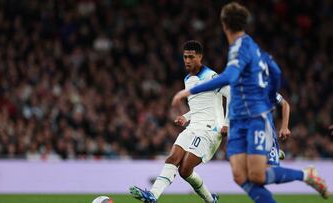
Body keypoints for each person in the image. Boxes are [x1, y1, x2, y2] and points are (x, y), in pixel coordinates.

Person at [171, 3, 329, 203]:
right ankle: (305, 175)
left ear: (224, 25)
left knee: (257, 176)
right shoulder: (253, 48)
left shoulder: (241, 47)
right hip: (240, 119)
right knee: (239, 176)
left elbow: (229, 75)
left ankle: (306, 175)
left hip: (253, 117)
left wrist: (190, 90)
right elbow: (276, 72)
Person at [130, 40, 230, 203]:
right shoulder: (188, 79)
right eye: (185, 57)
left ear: (200, 57)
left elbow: (231, 95)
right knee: (173, 159)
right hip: (193, 127)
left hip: (210, 129)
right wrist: (186, 116)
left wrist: (226, 123)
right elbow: (201, 105)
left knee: (185, 168)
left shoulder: (211, 76)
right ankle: (153, 196)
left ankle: (210, 200)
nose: (188, 61)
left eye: (191, 57)